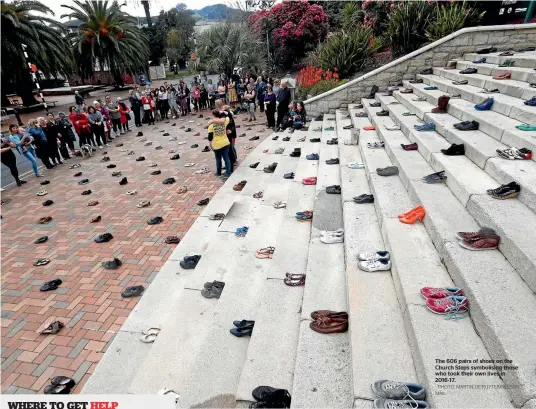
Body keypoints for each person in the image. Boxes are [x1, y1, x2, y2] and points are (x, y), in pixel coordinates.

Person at [207, 110, 231, 178]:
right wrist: (222, 113)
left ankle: (218, 172)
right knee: (226, 158)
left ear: (213, 116)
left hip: (216, 144)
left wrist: (210, 144)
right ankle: (228, 172)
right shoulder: (225, 122)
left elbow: (210, 137)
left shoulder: (211, 126)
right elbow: (228, 116)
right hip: (225, 142)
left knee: (218, 159)